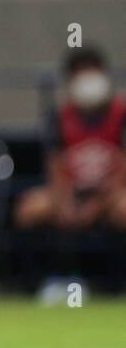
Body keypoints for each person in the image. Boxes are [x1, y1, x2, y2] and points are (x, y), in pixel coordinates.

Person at [14, 47, 126, 284]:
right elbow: (54, 165)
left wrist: (99, 203)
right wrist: (64, 201)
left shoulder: (121, 113)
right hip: (72, 191)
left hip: (113, 193)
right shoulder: (60, 116)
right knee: (30, 209)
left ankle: (115, 281)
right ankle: (45, 281)